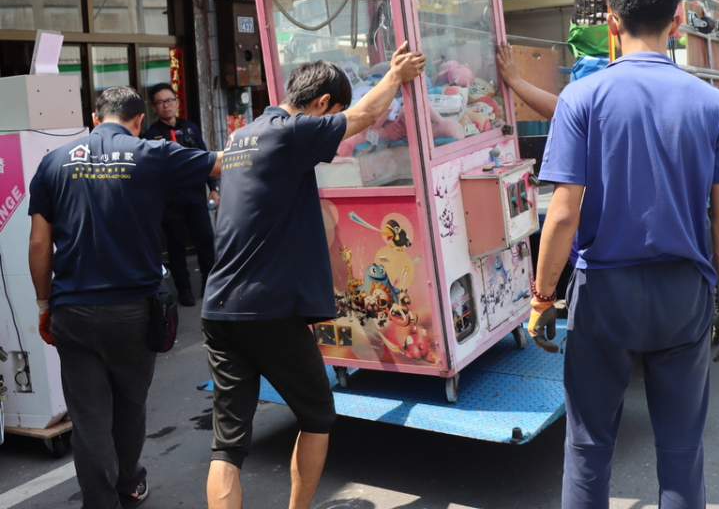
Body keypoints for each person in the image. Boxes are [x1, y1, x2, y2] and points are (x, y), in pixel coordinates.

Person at [528, 0, 719, 509]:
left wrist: (541, 299)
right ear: (677, 21)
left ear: (611, 21)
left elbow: (561, 215)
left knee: (588, 447)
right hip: (684, 295)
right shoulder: (714, 104)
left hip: (603, 294)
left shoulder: (582, 100)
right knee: (680, 451)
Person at [201, 42, 426, 509]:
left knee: (228, 444)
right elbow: (364, 118)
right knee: (318, 414)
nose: (331, 127)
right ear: (321, 105)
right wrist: (395, 76)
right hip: (268, 308)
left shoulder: (247, 133)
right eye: (331, 114)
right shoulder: (291, 131)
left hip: (219, 306)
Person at [28, 86, 221, 509]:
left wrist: (45, 305)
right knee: (130, 405)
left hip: (71, 309)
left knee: (88, 415)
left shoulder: (53, 162)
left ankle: (101, 502)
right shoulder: (153, 153)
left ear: (95, 118)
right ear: (138, 121)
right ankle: (129, 483)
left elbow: (40, 246)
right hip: (134, 310)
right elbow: (226, 162)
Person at [143, 83, 219, 306]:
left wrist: (213, 187)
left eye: (170, 100)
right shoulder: (151, 135)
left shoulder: (190, 128)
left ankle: (209, 285)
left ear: (177, 102)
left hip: (195, 196)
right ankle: (184, 290)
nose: (166, 105)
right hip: (170, 199)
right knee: (176, 246)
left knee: (206, 240)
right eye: (160, 102)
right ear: (154, 108)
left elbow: (205, 157)